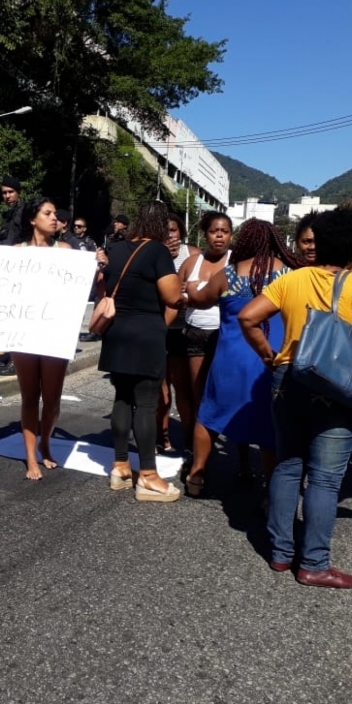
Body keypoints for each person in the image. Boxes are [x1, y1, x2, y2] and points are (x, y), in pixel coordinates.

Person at [238, 207, 352, 589]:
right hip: (334, 385)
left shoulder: (291, 279)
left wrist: (268, 355)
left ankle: (280, 553)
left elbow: (248, 317)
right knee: (325, 480)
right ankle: (313, 563)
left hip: (288, 376)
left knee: (286, 466)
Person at [183, 218, 301, 499]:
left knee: (210, 415)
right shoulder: (288, 275)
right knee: (271, 426)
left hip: (229, 360)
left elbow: (200, 299)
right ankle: (271, 492)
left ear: (243, 241)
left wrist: (189, 289)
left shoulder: (229, 273)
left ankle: (196, 475)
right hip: (270, 359)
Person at [99, 200, 183, 502]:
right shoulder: (158, 251)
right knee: (146, 404)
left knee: (122, 397)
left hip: (117, 332)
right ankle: (148, 475)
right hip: (146, 334)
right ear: (161, 225)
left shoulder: (118, 248)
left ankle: (120, 466)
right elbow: (172, 297)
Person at [6, 197, 74, 480]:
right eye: (47, 213)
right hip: (24, 334)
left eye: (55, 214)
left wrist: (96, 265)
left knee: (53, 399)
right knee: (30, 396)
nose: (54, 218)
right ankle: (31, 457)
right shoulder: (17, 251)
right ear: (33, 219)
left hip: (55, 333)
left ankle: (46, 440)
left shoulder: (66, 250)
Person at [175, 211, 232, 483]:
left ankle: (238, 456)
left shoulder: (238, 263)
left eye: (224, 231)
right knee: (198, 396)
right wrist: (187, 295)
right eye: (214, 231)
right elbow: (175, 296)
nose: (219, 236)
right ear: (205, 234)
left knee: (227, 396)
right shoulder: (191, 262)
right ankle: (196, 453)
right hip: (195, 334)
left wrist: (196, 293)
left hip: (226, 336)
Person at [156, 213, 195, 455]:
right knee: (161, 390)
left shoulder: (193, 254)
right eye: (165, 230)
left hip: (183, 328)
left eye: (174, 230)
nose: (170, 235)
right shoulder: (154, 253)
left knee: (183, 387)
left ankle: (190, 438)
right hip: (159, 327)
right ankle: (163, 435)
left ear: (181, 232)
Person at [0, 176, 24, 246]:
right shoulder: (7, 215)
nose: (7, 196)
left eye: (11, 192)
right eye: (4, 193)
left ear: (18, 193)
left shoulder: (25, 212)